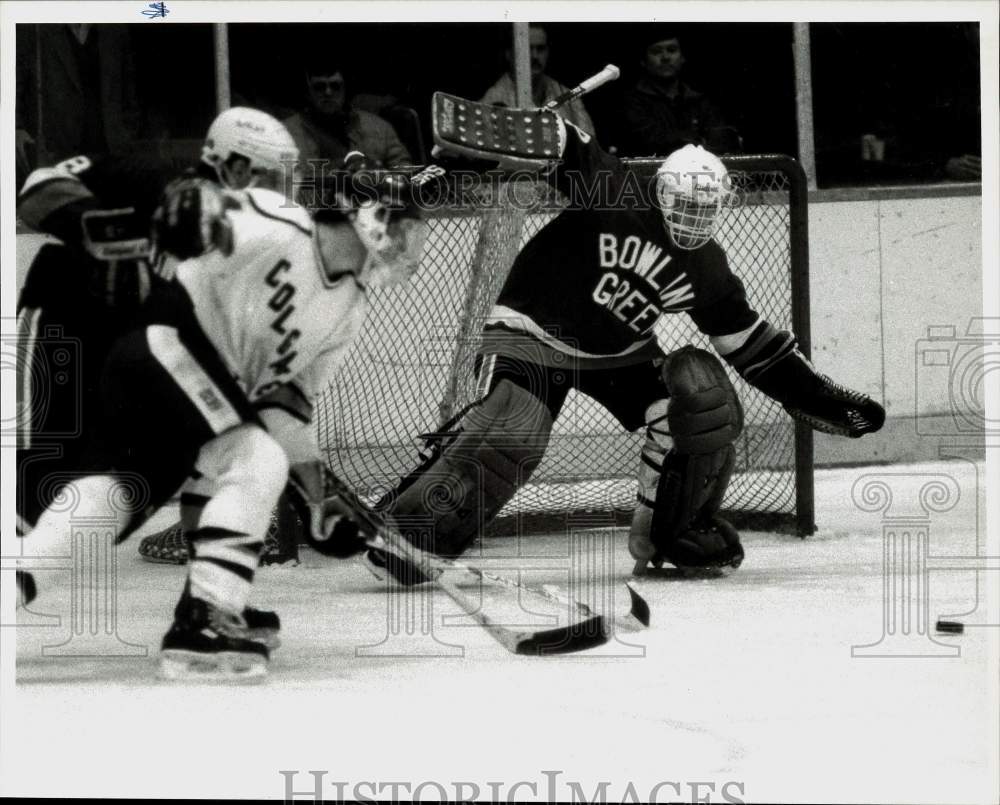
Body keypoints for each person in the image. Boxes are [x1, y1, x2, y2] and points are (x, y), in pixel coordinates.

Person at [370, 108, 884, 583]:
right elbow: (563, 141)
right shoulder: (615, 190)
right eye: (685, 204)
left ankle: (668, 532)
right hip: (533, 330)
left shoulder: (707, 269)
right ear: (661, 191)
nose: (695, 219)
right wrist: (484, 131)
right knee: (512, 431)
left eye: (706, 208)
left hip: (618, 354)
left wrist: (816, 394)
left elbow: (751, 346)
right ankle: (413, 530)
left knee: (701, 402)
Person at [17, 150, 428, 680]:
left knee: (111, 499)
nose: (409, 246)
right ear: (369, 215)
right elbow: (189, 233)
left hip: (193, 393)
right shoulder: (275, 219)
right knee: (255, 457)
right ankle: (206, 613)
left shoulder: (349, 309)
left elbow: (287, 405)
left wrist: (319, 495)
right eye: (405, 228)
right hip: (162, 344)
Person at [15, 24, 141, 185]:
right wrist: (16, 128)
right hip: (55, 153)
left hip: (110, 152)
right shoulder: (36, 28)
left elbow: (128, 90)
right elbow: (13, 81)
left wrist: (126, 133)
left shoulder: (114, 30)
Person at [620, 30, 738, 157]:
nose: (665, 57)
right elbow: (650, 143)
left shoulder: (701, 101)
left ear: (682, 57)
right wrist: (697, 141)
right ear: (643, 61)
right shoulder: (630, 102)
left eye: (671, 50)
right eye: (656, 51)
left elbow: (723, 140)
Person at [282, 58, 412, 172]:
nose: (328, 92)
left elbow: (404, 172)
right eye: (319, 87)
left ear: (346, 89)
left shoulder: (380, 129)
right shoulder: (285, 133)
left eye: (335, 86)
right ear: (308, 93)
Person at [480, 24, 596, 137]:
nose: (535, 56)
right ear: (509, 54)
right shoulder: (493, 100)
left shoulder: (567, 95)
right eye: (527, 49)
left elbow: (590, 146)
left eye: (540, 49)